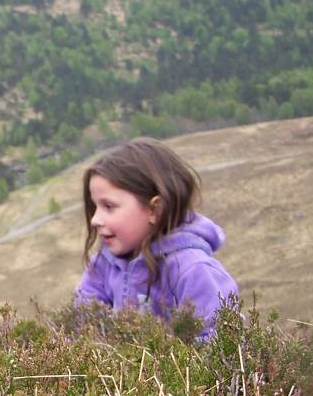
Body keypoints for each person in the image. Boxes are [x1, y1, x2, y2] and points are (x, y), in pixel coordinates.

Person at [75, 137, 237, 339]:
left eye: (109, 206)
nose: (95, 219)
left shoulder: (193, 269)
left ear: (155, 209)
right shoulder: (104, 264)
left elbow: (222, 341)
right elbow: (81, 327)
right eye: (95, 206)